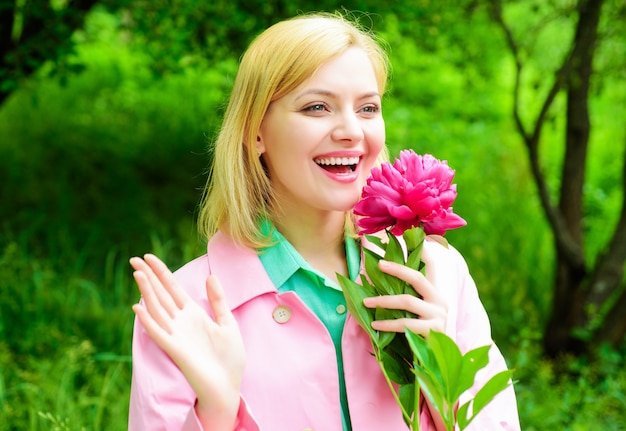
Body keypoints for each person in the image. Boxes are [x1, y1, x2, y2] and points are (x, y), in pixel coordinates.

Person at [128, 11, 521, 431]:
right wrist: (217, 412)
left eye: (368, 108)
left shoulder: (433, 274)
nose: (352, 130)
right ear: (255, 131)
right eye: (317, 107)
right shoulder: (183, 311)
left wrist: (443, 374)